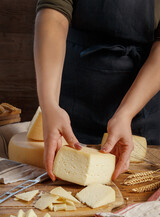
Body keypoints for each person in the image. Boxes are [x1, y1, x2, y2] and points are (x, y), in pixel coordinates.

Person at [34, 0, 160, 182]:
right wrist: (49, 105)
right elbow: (54, 14)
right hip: (75, 100)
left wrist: (126, 114)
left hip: (142, 106)